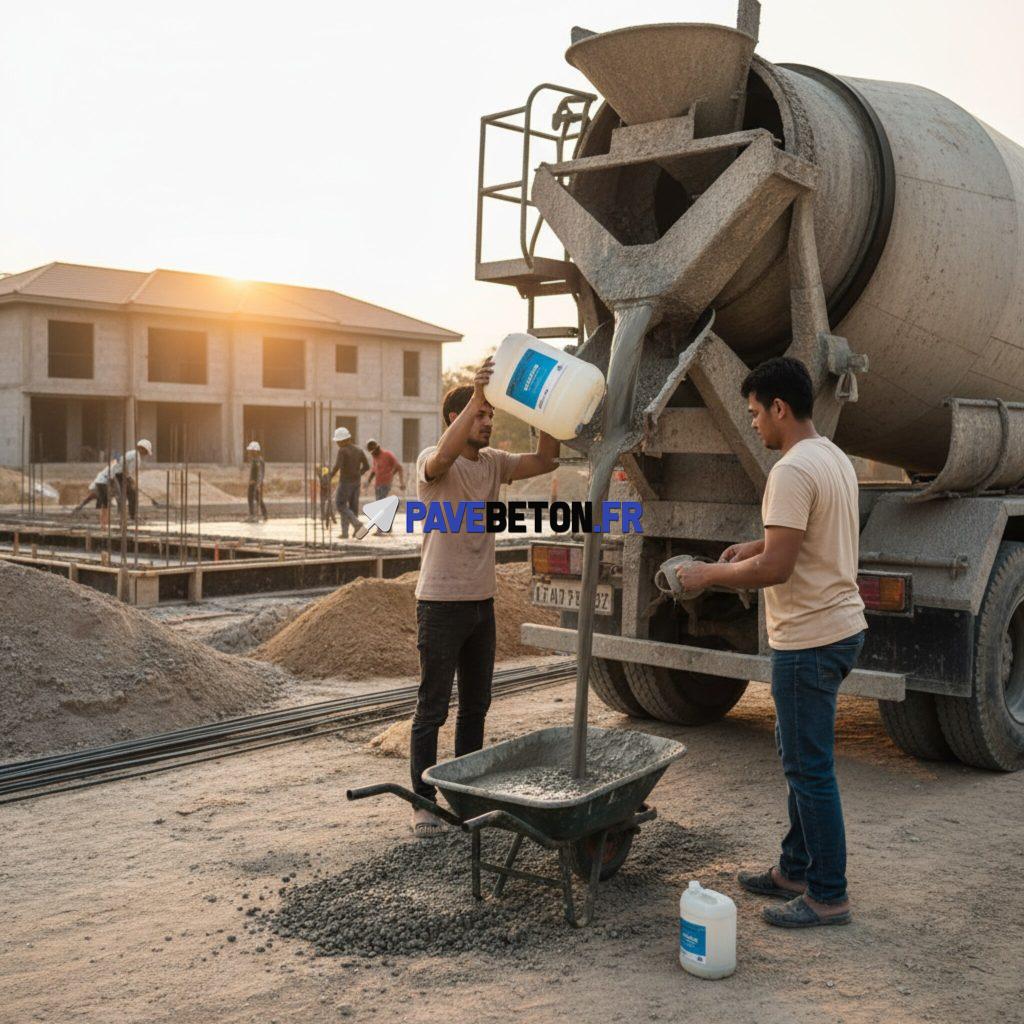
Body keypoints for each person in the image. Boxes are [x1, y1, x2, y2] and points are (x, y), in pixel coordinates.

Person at [675, 356, 867, 928]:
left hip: (808, 640)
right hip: (837, 629)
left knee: (809, 769)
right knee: (798, 759)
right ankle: (794, 868)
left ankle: (828, 894)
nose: (754, 424)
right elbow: (791, 543)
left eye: (756, 413)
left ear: (779, 408)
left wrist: (708, 575)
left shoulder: (789, 471)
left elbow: (780, 568)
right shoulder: (830, 456)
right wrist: (747, 547)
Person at [409, 357, 559, 837]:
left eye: (491, 415)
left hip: (481, 604)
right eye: (481, 414)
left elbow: (546, 461)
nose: (489, 421)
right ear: (456, 419)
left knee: (476, 706)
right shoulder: (432, 463)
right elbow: (443, 458)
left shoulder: (494, 462)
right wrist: (475, 393)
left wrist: (546, 414)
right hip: (440, 604)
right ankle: (423, 803)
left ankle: (467, 797)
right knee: (433, 707)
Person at [325, 427, 368, 538]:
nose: (338, 444)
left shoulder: (342, 451)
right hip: (356, 482)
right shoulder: (359, 450)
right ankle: (347, 533)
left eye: (339, 441)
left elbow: (337, 466)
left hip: (345, 483)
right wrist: (358, 474)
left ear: (345, 440)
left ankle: (357, 524)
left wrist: (329, 476)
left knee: (340, 505)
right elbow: (367, 466)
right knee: (353, 507)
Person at [111, 439, 153, 523]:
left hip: (118, 473)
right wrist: (131, 481)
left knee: (129, 494)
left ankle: (129, 515)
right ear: (143, 449)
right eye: (146, 451)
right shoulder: (136, 458)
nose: (146, 454)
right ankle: (132, 516)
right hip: (119, 474)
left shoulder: (132, 453)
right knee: (132, 494)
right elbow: (128, 473)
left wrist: (131, 481)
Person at [245, 441, 268, 522]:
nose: (250, 453)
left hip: (256, 484)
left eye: (251, 451)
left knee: (257, 499)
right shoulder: (255, 460)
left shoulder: (259, 461)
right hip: (253, 483)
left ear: (255, 451)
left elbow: (260, 473)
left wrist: (257, 484)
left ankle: (259, 515)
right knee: (252, 498)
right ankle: (254, 515)